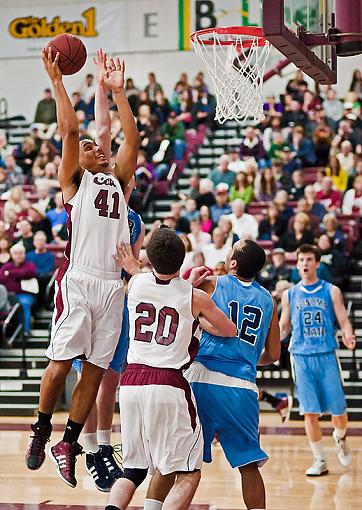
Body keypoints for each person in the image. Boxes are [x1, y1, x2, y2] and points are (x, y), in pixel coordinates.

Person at [25, 48, 139, 488]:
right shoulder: (75, 182)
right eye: (88, 147)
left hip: (112, 286)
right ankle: (40, 430)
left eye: (96, 145)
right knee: (61, 361)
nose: (94, 146)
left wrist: (119, 93)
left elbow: (131, 140)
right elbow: (71, 128)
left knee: (94, 369)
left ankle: (69, 443)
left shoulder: (119, 181)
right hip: (80, 280)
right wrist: (58, 81)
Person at [143, 239, 280, 510]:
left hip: (200, 379)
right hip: (241, 386)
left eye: (232, 249)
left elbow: (173, 300)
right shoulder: (268, 300)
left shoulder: (212, 283)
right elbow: (273, 354)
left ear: (233, 263)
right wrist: (248, 360)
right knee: (249, 466)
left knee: (175, 458)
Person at [106, 227, 237, 510]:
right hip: (168, 383)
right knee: (188, 471)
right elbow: (228, 330)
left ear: (150, 260)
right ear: (183, 259)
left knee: (134, 469)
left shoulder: (136, 284)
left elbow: (146, 276)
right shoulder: (195, 297)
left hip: (130, 383)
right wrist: (196, 318)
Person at [279, 244, 356, 476]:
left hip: (326, 354)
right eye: (301, 259)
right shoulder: (289, 294)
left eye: (309, 259)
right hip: (301, 356)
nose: (304, 263)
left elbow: (343, 319)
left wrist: (348, 333)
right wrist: (266, 345)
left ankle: (340, 437)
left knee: (339, 412)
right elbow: (284, 326)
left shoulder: (331, 291)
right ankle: (319, 459)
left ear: (317, 263)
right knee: (309, 412)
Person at [0, 243, 37, 334]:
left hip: (24, 295)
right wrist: (18, 274)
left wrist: (11, 273)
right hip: (7, 295)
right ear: (11, 255)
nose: (18, 255)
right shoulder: (6, 266)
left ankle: (25, 331)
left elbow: (28, 272)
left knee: (24, 304)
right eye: (16, 253)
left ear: (24, 254)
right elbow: (1, 278)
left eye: (21, 253)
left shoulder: (30, 265)